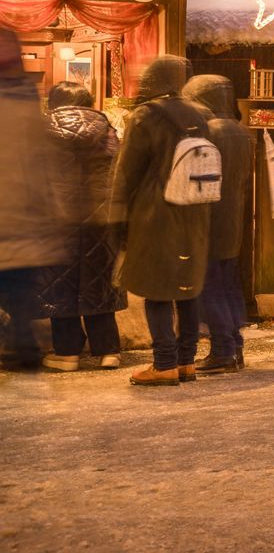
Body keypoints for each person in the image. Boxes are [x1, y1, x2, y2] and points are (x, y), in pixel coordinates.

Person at [110, 55, 214, 388]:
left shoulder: (145, 116)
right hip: (195, 212)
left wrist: (116, 216)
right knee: (186, 291)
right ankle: (186, 362)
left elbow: (126, 173)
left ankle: (164, 363)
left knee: (157, 291)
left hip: (155, 214)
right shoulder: (202, 114)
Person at [40, 82, 124, 371]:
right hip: (101, 218)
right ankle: (108, 351)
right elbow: (119, 171)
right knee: (98, 281)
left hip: (55, 220)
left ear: (53, 102)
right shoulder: (108, 130)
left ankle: (67, 354)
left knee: (59, 283)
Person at [0, 32, 68, 371]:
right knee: (21, 293)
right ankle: (22, 348)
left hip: (19, 219)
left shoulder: (26, 100)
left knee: (19, 291)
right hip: (24, 220)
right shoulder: (27, 98)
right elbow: (42, 160)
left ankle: (21, 347)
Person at [182, 75, 253, 374]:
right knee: (227, 284)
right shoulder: (240, 130)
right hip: (232, 218)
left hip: (208, 217)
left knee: (209, 286)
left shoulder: (207, 131)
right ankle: (234, 346)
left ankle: (223, 349)